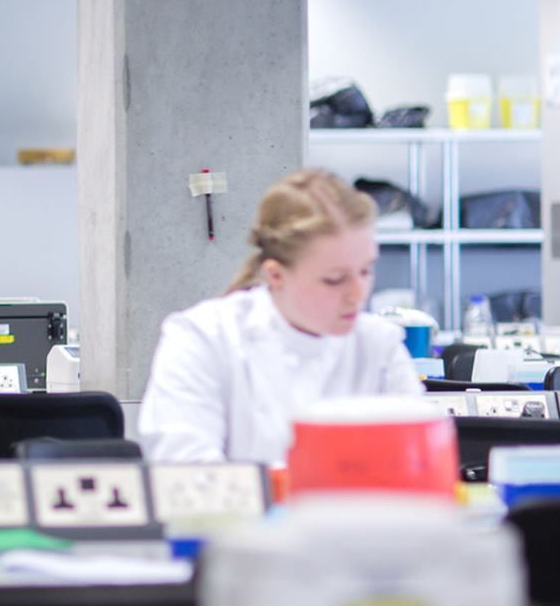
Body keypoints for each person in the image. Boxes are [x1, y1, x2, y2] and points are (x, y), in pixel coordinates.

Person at [138, 168, 422, 465]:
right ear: (276, 275)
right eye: (334, 279)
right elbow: (188, 475)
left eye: (366, 271)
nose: (358, 293)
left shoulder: (378, 346)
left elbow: (417, 462)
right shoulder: (203, 339)